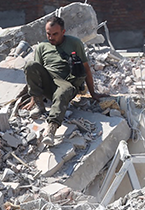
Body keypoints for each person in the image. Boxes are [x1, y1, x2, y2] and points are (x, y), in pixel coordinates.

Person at [24, 15, 101, 145]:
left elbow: (86, 69)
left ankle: (51, 130)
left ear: (63, 32)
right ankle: (39, 105)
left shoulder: (75, 43)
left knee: (64, 91)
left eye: (55, 34)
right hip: (48, 81)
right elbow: (35, 72)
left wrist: (93, 93)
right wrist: (33, 98)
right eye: (48, 34)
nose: (51, 37)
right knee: (30, 65)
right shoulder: (42, 46)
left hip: (66, 83)